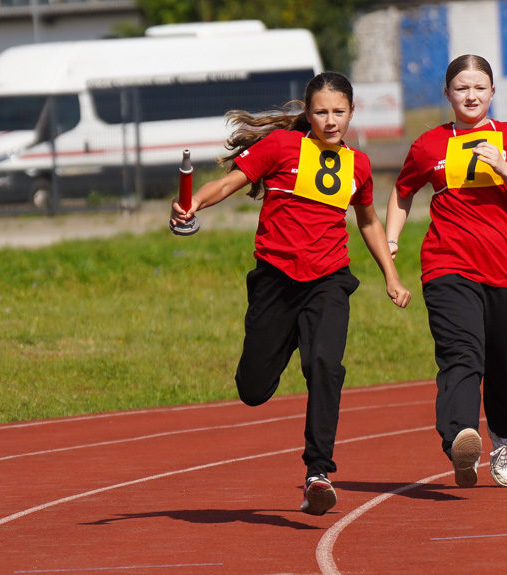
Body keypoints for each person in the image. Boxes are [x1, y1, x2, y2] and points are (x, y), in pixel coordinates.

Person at [170, 71, 411, 515]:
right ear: (307, 112)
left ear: (352, 113)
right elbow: (226, 183)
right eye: (321, 112)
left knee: (324, 365)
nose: (331, 120)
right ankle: (278, 349)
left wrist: (392, 277)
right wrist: (193, 203)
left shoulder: (358, 165)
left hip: (329, 280)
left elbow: (369, 222)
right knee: (253, 389)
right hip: (277, 280)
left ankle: (317, 472)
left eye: (339, 112)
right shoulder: (281, 148)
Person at [385, 55, 507, 488]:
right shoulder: (428, 145)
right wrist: (390, 239)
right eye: (461, 88)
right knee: (461, 354)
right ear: (448, 95)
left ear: (493, 92)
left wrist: (503, 166)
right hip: (447, 262)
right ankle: (460, 435)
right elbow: (402, 193)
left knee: (506, 365)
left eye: (479, 87)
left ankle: (505, 435)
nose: (471, 95)